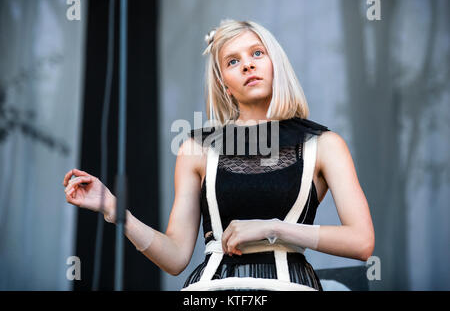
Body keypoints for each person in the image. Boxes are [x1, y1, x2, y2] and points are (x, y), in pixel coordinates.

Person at [63, 19, 375, 291]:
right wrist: (116, 212)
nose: (248, 65)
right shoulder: (196, 149)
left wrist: (272, 228)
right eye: (232, 61)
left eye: (257, 53)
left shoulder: (323, 144)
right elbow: (175, 258)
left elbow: (362, 242)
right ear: (224, 85)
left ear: (275, 64)